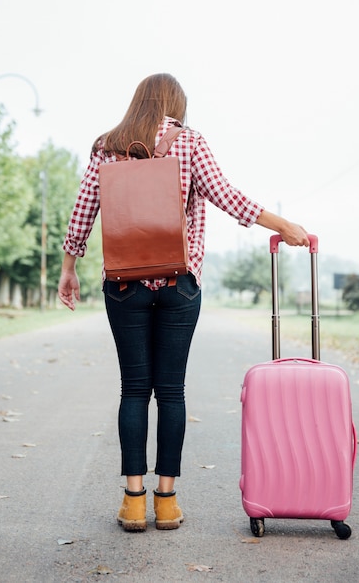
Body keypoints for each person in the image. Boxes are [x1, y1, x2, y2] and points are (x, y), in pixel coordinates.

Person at [58, 73, 309, 533]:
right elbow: (228, 197)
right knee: (170, 392)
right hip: (179, 284)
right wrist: (283, 223)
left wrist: (68, 267)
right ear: (177, 104)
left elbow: (83, 210)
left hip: (124, 285)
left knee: (133, 390)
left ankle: (134, 502)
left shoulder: (107, 145)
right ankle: (167, 501)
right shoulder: (190, 142)